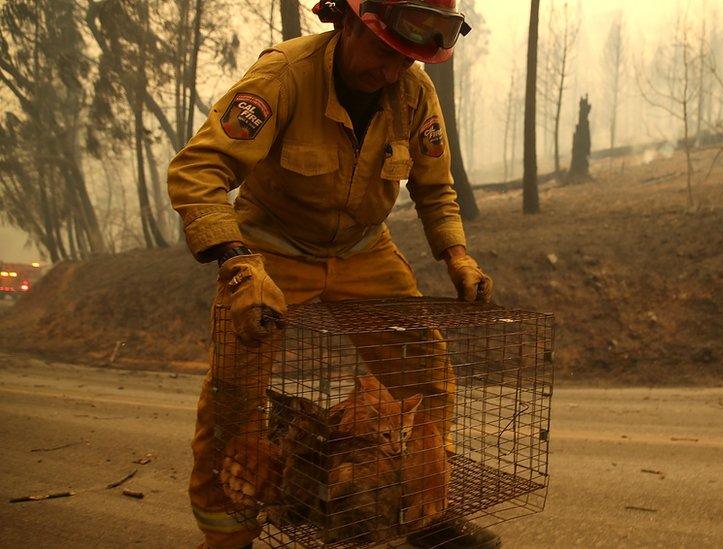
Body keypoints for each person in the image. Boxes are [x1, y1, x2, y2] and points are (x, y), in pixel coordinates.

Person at [166, 1, 499, 547]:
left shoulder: (415, 95)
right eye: (382, 51)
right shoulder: (284, 75)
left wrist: (458, 257)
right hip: (269, 250)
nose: (392, 71)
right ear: (345, 20)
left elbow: (435, 188)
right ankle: (228, 536)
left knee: (426, 372)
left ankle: (423, 512)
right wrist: (237, 261)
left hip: (364, 249)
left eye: (407, 59)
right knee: (235, 396)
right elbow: (198, 169)